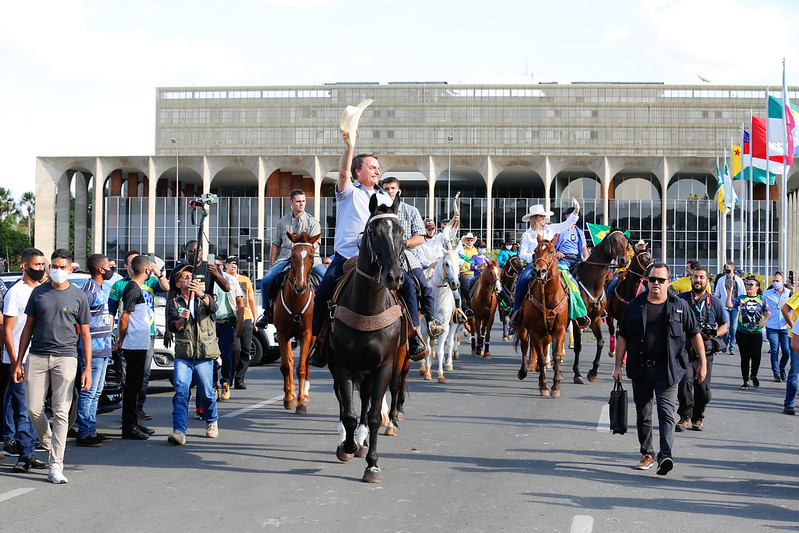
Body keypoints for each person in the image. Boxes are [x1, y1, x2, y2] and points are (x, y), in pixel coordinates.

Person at [309, 133, 428, 367]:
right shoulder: (347, 191)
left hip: (379, 258)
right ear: (358, 172)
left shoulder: (383, 196)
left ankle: (414, 336)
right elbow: (342, 173)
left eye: (378, 167)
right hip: (346, 256)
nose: (377, 171)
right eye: (372, 167)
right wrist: (349, 146)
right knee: (323, 292)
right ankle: (319, 343)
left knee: (408, 286)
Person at [612, 263, 706, 476]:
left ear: (668, 282)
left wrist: (703, 363)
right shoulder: (635, 305)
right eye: (652, 279)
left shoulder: (680, 306)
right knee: (643, 415)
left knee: (666, 413)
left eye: (660, 280)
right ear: (647, 280)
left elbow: (695, 334)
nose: (656, 283)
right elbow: (623, 335)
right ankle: (647, 454)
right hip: (641, 369)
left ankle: (665, 454)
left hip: (669, 370)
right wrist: (618, 365)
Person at [13, 248, 92, 484]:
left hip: (66, 358)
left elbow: (86, 335)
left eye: (61, 267)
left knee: (60, 411)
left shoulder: (78, 296)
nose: (56, 270)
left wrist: (87, 368)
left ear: (70, 268)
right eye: (53, 266)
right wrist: (19, 361)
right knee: (34, 409)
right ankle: (50, 444)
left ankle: (56, 463)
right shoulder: (38, 294)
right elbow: (27, 328)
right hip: (37, 356)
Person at [510, 199, 591, 330]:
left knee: (572, 282)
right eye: (542, 216)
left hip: (552, 265)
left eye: (544, 216)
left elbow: (567, 224)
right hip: (534, 265)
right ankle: (516, 312)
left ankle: (579, 313)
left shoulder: (550, 229)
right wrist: (535, 257)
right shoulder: (527, 235)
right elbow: (522, 254)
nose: (544, 218)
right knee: (523, 281)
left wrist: (576, 210)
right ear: (534, 218)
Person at [109, 250, 169, 421]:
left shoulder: (149, 282)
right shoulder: (125, 286)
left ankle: (136, 410)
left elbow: (166, 288)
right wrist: (118, 337)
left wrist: (160, 274)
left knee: (143, 375)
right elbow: (120, 315)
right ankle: (130, 416)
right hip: (131, 337)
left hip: (146, 335)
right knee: (130, 378)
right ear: (126, 266)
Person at [3, 248, 48, 472]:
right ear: (24, 266)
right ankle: (25, 454)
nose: (41, 269)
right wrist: (15, 362)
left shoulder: (44, 291)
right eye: (36, 265)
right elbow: (8, 330)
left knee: (35, 408)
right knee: (21, 408)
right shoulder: (15, 293)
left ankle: (29, 452)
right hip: (20, 360)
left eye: (42, 265)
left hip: (40, 357)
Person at [381, 176, 444, 338]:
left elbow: (420, 238)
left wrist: (401, 242)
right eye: (386, 189)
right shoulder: (378, 211)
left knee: (425, 287)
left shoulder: (411, 211)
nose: (389, 192)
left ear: (399, 191)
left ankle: (430, 322)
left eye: (392, 188)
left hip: (408, 255)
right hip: (383, 256)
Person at [166, 265, 220, 445]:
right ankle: (179, 431)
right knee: (181, 391)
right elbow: (172, 326)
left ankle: (211, 421)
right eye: (185, 277)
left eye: (191, 276)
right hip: (184, 355)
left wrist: (201, 295)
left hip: (204, 355)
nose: (189, 279)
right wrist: (182, 319)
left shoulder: (203, 298)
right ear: (178, 282)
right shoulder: (174, 303)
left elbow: (214, 309)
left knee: (206, 392)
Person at [676, 267, 727, 432]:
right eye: (695, 277)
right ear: (692, 279)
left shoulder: (715, 302)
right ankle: (685, 417)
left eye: (701, 278)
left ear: (707, 280)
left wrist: (714, 334)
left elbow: (725, 325)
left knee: (703, 390)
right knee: (684, 385)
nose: (698, 280)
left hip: (705, 351)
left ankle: (698, 417)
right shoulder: (681, 299)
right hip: (684, 349)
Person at [261, 189, 325, 320]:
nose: (301, 204)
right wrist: (272, 264)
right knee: (266, 280)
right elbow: (275, 244)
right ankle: (267, 312)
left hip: (310, 259)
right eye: (298, 201)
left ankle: (329, 312)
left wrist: (304, 254)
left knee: (326, 279)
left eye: (303, 201)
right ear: (291, 202)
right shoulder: (282, 222)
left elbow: (316, 243)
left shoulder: (313, 222)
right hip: (285, 258)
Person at [113, 255, 155, 440]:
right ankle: (128, 426)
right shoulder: (132, 288)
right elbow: (124, 317)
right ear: (147, 270)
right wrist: (121, 340)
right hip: (133, 344)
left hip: (139, 342)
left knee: (137, 385)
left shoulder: (136, 287)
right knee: (132, 385)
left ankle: (135, 422)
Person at [75, 254, 116, 447]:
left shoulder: (100, 289)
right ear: (100, 269)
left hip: (103, 348)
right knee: (88, 392)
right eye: (108, 265)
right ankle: (84, 433)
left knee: (97, 391)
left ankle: (91, 430)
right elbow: (78, 321)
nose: (111, 268)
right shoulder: (89, 290)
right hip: (92, 349)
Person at [165, 240, 230, 349]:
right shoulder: (179, 271)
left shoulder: (210, 267)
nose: (195, 254)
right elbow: (170, 300)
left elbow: (227, 287)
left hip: (205, 314)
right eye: (191, 251)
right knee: (187, 347)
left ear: (202, 252)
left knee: (207, 348)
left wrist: (216, 274)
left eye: (198, 251)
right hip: (185, 315)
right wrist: (168, 328)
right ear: (186, 253)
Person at [726, 276, 770, 389]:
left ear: (757, 287)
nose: (748, 286)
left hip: (756, 332)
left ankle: (753, 375)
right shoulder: (741, 298)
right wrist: (730, 291)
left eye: (751, 285)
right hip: (742, 332)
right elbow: (729, 305)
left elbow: (768, 313)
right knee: (745, 357)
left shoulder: (762, 298)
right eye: (747, 284)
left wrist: (764, 320)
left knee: (756, 356)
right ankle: (745, 380)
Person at [213, 256, 244, 401]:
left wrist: (240, 322)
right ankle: (213, 385)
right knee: (211, 357)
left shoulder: (230, 280)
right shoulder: (207, 280)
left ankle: (225, 381)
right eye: (213, 265)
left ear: (223, 266)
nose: (216, 267)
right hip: (210, 324)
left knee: (226, 356)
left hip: (227, 323)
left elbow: (239, 302)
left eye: (218, 265)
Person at [225, 257, 257, 389]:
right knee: (235, 350)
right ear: (226, 265)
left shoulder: (245, 280)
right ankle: (229, 376)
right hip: (232, 318)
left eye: (236, 264)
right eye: (231, 264)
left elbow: (251, 299)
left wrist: (255, 319)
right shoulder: (224, 279)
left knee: (245, 350)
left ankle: (240, 378)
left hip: (246, 318)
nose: (234, 266)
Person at [764, 271, 792, 382]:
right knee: (774, 350)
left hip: (785, 327)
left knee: (786, 351)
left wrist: (791, 320)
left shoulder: (789, 293)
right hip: (772, 327)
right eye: (774, 281)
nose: (775, 283)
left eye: (777, 281)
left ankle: (782, 368)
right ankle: (776, 374)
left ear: (783, 282)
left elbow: (794, 308)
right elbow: (763, 307)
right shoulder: (767, 294)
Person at [714, 261, 745, 354]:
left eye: (728, 267)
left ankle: (732, 347)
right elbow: (717, 294)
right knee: (726, 327)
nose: (727, 269)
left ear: (733, 269)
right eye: (725, 267)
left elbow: (743, 294)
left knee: (734, 328)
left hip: (735, 306)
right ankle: (724, 344)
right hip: (725, 306)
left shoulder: (738, 280)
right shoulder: (721, 280)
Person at [554, 207, 588, 271]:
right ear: (566, 216)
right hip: (564, 259)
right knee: (562, 274)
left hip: (578, 259)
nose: (574, 219)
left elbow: (584, 247)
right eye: (572, 216)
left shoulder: (580, 232)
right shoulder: (560, 230)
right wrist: (557, 253)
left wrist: (586, 257)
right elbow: (552, 245)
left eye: (576, 217)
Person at [456, 232, 478, 317]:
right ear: (465, 241)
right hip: (463, 273)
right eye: (468, 240)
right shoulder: (461, 250)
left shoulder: (475, 251)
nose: (469, 241)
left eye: (471, 240)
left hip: (473, 273)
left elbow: (476, 262)